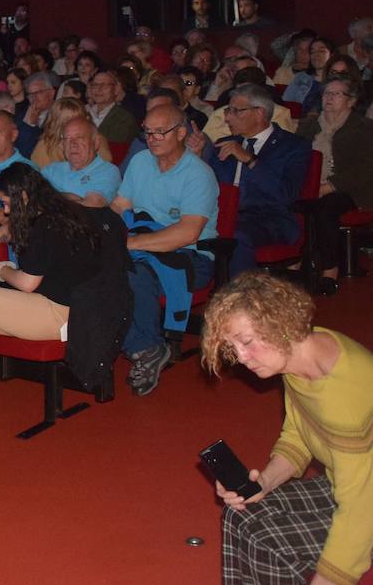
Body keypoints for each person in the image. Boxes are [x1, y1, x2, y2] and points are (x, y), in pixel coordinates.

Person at [201, 272, 373, 585]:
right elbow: (298, 436)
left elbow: (363, 512)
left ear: (279, 323)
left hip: (364, 503)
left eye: (247, 342)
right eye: (233, 347)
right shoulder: (304, 356)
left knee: (271, 541)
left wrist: (328, 579)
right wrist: (263, 484)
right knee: (242, 514)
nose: (241, 357)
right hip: (349, 484)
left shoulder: (346, 398)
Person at [111, 105, 220, 396]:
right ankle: (142, 346)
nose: (152, 137)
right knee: (93, 267)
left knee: (132, 274)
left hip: (191, 256)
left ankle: (146, 347)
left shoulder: (199, 174)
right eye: (148, 131)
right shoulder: (140, 162)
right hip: (145, 243)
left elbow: (188, 232)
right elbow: (121, 206)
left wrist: (129, 244)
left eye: (161, 131)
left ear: (182, 133)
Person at [0, 163, 129, 346]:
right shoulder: (61, 210)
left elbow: (27, 283)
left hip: (58, 313)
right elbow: (13, 226)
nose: (6, 211)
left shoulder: (45, 226)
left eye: (7, 203)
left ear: (24, 196)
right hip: (78, 310)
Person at [199, 84, 312, 275]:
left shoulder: (293, 146)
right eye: (228, 110)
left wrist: (250, 159)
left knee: (235, 234)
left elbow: (286, 194)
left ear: (259, 113)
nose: (227, 117)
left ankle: (243, 299)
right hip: (225, 215)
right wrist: (197, 157)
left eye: (236, 111)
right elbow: (208, 186)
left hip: (270, 219)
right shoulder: (224, 144)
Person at [295, 73, 373, 286]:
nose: (328, 98)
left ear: (352, 100)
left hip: (351, 190)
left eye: (336, 94)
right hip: (310, 186)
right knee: (289, 202)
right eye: (326, 94)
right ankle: (295, 261)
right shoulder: (309, 126)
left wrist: (330, 185)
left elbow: (365, 169)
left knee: (325, 207)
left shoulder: (364, 128)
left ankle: (330, 269)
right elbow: (296, 157)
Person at [41, 116, 121, 207]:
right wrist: (71, 198)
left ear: (96, 143)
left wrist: (49, 196)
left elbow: (90, 206)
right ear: (62, 145)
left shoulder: (108, 171)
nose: (73, 144)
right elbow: (32, 197)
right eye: (67, 138)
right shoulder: (51, 170)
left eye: (80, 138)